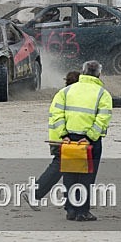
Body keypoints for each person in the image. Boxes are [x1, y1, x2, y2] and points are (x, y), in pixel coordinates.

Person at [47, 60, 112, 221]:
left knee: (70, 175)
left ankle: (70, 210)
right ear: (99, 74)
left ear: (82, 72)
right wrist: (90, 136)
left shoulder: (67, 91)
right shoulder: (103, 94)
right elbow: (103, 118)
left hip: (69, 139)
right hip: (90, 141)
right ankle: (82, 211)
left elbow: (57, 114)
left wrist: (63, 135)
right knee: (87, 177)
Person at [31, 70, 81, 209]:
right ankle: (35, 194)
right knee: (59, 167)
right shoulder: (68, 95)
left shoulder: (63, 94)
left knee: (67, 168)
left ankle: (69, 202)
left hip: (57, 137)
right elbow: (60, 118)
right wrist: (65, 136)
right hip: (61, 139)